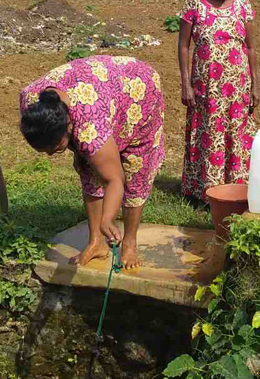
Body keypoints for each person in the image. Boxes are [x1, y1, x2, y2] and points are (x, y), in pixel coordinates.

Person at [19, 55, 164, 267]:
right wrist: (78, 152)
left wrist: (108, 219)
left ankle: (130, 242)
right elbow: (79, 146)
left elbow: (115, 180)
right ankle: (96, 243)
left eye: (56, 148)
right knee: (87, 165)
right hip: (99, 89)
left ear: (68, 125)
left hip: (137, 88)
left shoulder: (89, 128)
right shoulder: (31, 102)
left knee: (136, 169)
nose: (50, 155)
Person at [178, 0, 260, 201]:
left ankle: (235, 191)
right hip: (206, 86)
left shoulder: (243, 4)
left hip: (237, 86)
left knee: (236, 134)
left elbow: (251, 47)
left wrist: (256, 84)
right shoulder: (195, 2)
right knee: (207, 133)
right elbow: (183, 46)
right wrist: (185, 84)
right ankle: (205, 191)